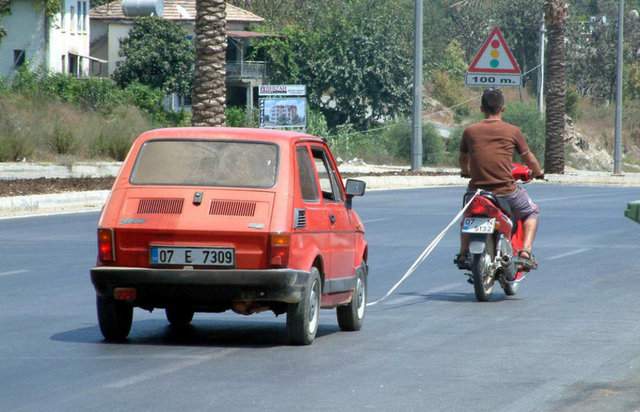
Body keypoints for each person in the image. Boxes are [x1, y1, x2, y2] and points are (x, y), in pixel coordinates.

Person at [456, 88, 544, 268]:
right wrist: (538, 172)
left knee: (467, 216)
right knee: (531, 211)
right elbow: (529, 158)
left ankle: (464, 252)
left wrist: (466, 171)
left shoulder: (469, 131)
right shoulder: (512, 131)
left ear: (481, 109)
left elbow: (463, 158)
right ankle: (525, 251)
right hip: (506, 192)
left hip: (477, 192)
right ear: (503, 109)